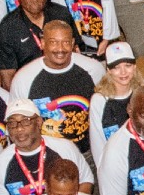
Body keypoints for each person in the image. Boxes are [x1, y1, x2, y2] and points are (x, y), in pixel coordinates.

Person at [0, 98, 92, 195]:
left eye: (26, 121)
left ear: (38, 122)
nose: (19, 129)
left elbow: (86, 181)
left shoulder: (64, 148)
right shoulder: (1, 163)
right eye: (12, 123)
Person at [11, 19, 104, 154]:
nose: (60, 49)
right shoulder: (23, 79)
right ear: (43, 43)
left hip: (88, 154)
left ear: (72, 43)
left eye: (65, 42)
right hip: (48, 158)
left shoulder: (94, 69)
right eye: (53, 42)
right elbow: (16, 125)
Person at [0, 0, 78, 79]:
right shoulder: (7, 28)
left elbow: (76, 51)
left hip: (65, 79)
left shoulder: (62, 15)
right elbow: (7, 77)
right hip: (28, 86)